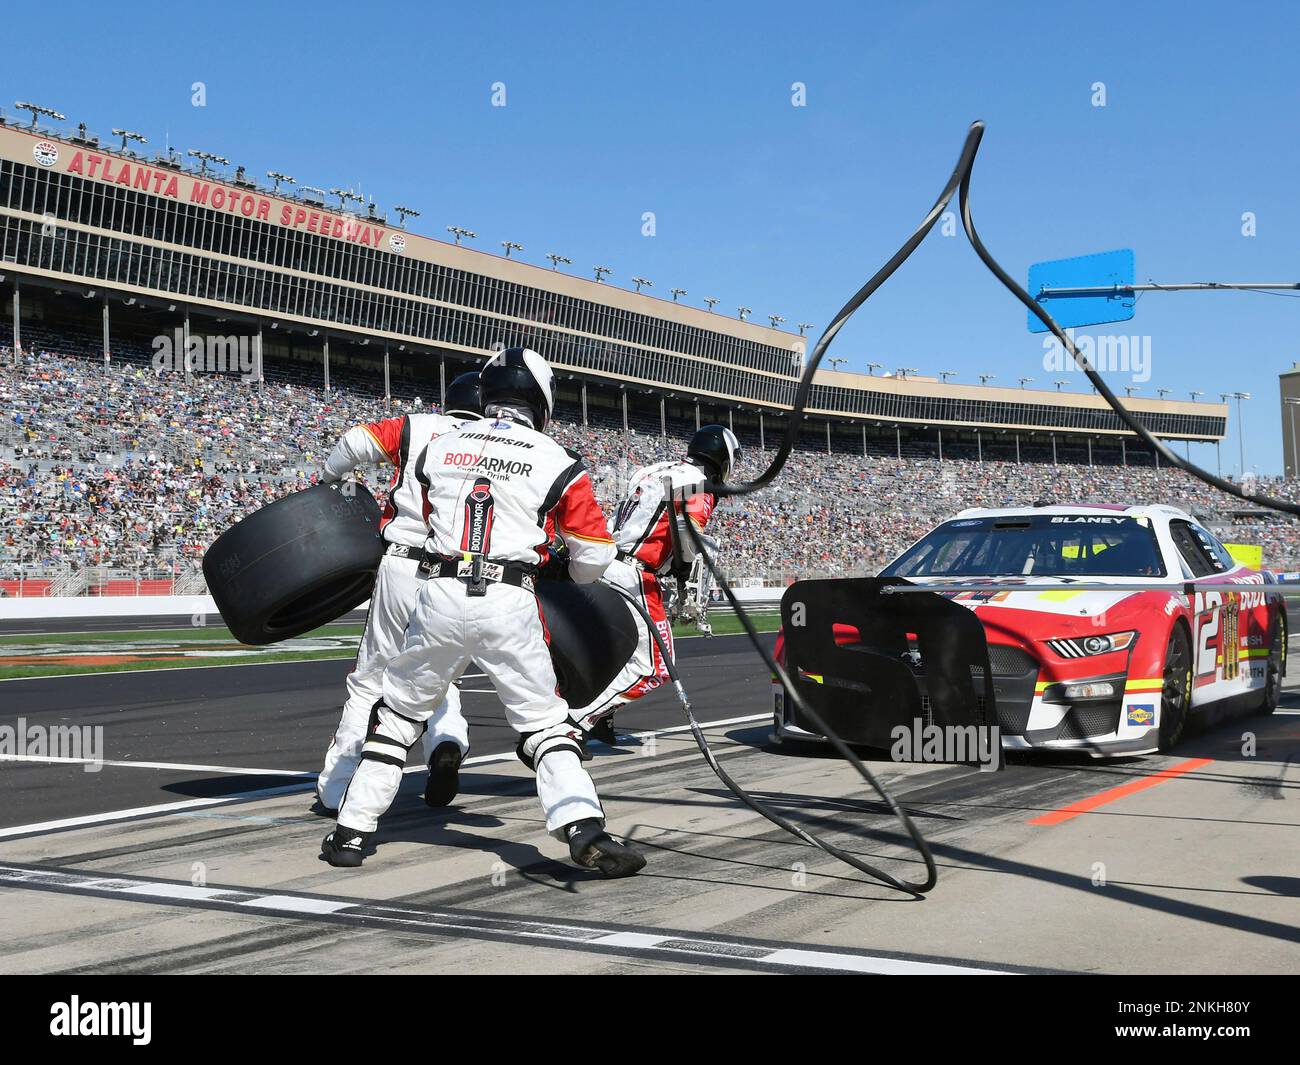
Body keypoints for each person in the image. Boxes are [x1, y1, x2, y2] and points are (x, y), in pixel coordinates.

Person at [322, 347, 644, 877]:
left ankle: (351, 833)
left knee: (398, 714)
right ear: (541, 401)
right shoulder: (558, 461)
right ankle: (582, 826)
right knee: (544, 724)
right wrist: (556, 563)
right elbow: (593, 560)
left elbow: (423, 516)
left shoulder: (440, 444)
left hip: (438, 591)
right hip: (509, 600)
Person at [313, 372, 483, 815]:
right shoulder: (505, 445)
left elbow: (353, 443)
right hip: (462, 572)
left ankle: (338, 786)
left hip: (405, 561)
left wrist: (329, 483)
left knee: (371, 677)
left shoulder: (416, 426)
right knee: (442, 673)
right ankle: (447, 741)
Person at [573, 425, 739, 744]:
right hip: (635, 573)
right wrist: (685, 566)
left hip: (607, 563)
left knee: (613, 653)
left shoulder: (651, 470)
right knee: (657, 667)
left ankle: (602, 719)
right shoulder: (700, 484)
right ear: (724, 458)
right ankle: (577, 721)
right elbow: (689, 533)